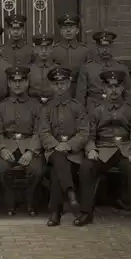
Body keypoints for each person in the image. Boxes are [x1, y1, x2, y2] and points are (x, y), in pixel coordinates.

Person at [75, 70, 131, 233]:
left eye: (117, 86)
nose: (113, 90)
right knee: (86, 166)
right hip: (103, 149)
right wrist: (91, 149)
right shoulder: (96, 110)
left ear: (122, 89)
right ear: (104, 89)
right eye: (110, 86)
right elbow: (89, 134)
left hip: (125, 149)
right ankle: (86, 212)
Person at [38, 67, 89, 226]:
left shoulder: (77, 107)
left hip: (73, 153)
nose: (59, 87)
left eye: (63, 83)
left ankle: (55, 212)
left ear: (69, 84)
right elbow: (44, 132)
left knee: (57, 171)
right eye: (56, 84)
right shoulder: (46, 108)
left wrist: (68, 145)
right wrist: (57, 145)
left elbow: (83, 132)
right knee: (58, 158)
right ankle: (71, 195)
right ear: (51, 86)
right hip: (53, 151)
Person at [0, 67, 44, 216]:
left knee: (36, 170)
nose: (18, 85)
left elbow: (39, 131)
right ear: (9, 83)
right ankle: (10, 199)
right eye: (14, 81)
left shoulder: (36, 106)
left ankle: (29, 198)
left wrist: (30, 151)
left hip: (29, 143)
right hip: (8, 143)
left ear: (27, 82)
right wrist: (2, 149)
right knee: (1, 168)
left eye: (21, 81)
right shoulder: (0, 106)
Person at [76, 31, 131, 112]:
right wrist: (81, 114)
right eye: (101, 47)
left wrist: (128, 111)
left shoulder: (122, 68)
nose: (105, 50)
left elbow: (128, 92)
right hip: (93, 107)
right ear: (96, 48)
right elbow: (81, 95)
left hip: (117, 108)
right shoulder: (87, 68)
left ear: (112, 48)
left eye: (108, 47)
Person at [52, 14, 90, 96]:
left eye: (71, 27)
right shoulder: (54, 51)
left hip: (80, 91)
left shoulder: (85, 51)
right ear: (61, 31)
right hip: (59, 91)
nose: (68, 30)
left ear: (77, 30)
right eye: (65, 28)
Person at [29, 34, 59, 104]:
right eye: (40, 47)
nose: (44, 51)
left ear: (51, 49)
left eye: (47, 47)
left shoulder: (58, 69)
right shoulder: (29, 70)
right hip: (33, 106)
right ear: (35, 49)